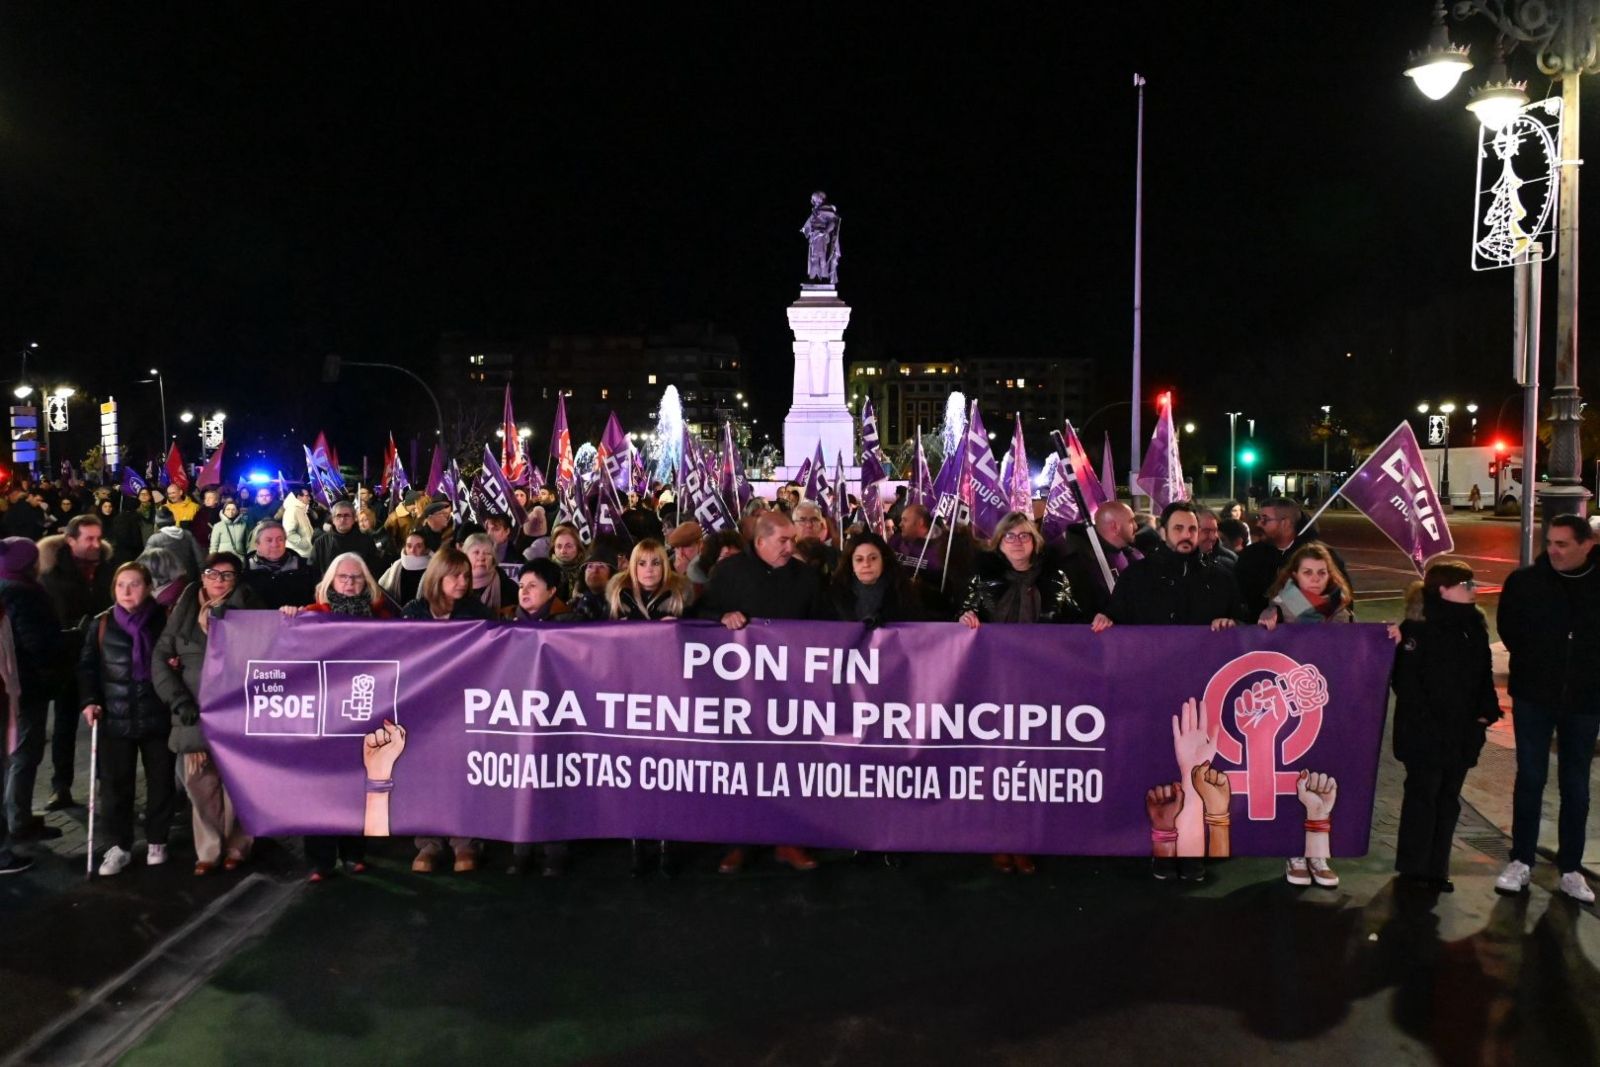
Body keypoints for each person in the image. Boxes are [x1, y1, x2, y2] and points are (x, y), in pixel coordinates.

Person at [697, 510, 835, 874]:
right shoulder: (727, 573)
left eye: (792, 540)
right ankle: (740, 841)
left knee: (790, 765)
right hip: (739, 692)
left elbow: (827, 626)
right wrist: (720, 617)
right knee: (742, 765)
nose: (792, 546)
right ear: (760, 542)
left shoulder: (808, 577)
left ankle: (789, 839)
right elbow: (702, 611)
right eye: (783, 541)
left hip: (793, 691)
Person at [957, 512, 1085, 876]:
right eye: (1009, 536)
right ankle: (998, 839)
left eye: (1024, 535)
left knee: (1031, 768)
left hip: (1040, 687)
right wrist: (965, 618)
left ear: (1036, 542)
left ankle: (1025, 839)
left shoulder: (1056, 579)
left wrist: (1098, 622)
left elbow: (1073, 620)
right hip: (992, 686)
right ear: (997, 543)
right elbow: (963, 613)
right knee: (994, 768)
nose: (1016, 541)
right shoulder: (983, 579)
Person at [1494, 514, 1600, 902]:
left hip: (1586, 700)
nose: (1553, 550)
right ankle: (1521, 860)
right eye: (1550, 542)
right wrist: (1537, 661)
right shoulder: (1525, 582)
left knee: (1576, 785)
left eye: (1562, 544)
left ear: (1587, 545)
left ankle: (1570, 869)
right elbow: (1510, 628)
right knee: (1531, 778)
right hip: (1534, 696)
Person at [152, 552, 264, 875]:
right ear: (202, 576)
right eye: (212, 573)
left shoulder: (249, 606)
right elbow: (162, 656)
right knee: (201, 786)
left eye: (227, 575)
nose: (218, 580)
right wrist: (178, 701)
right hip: (194, 713)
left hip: (237, 714)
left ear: (236, 580)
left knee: (238, 786)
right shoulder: (185, 608)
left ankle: (238, 846)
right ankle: (209, 849)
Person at [1391, 560, 1500, 894]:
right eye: (1465, 584)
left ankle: (1437, 868)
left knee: (1448, 798)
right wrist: (1433, 721)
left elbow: (1484, 674)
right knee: (1423, 795)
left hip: (1462, 732)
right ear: (1443, 590)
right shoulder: (1417, 629)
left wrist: (1485, 713)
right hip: (1426, 732)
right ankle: (1413, 867)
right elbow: (1407, 684)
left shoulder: (1473, 625)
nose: (1473, 590)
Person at [285, 552, 394, 882]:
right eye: (343, 577)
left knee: (357, 783)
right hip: (323, 715)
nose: (350, 583)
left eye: (357, 578)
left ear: (367, 582)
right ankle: (319, 860)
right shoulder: (313, 614)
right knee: (319, 787)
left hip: (365, 712)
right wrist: (288, 617)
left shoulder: (381, 617)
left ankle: (353, 852)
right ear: (330, 581)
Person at [1257, 542, 1354, 889]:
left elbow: (1357, 651)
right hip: (1290, 709)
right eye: (1308, 572)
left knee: (1322, 778)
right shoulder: (1279, 609)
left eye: (1321, 572)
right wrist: (1269, 619)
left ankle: (1317, 852)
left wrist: (1387, 635)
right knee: (1292, 778)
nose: (1315, 580)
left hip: (1329, 703)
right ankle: (1293, 852)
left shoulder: (1340, 607)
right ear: (1294, 576)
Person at [598, 540, 690, 875]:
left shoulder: (682, 597)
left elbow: (705, 632)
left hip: (670, 697)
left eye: (654, 563)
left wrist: (683, 629)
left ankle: (667, 843)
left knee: (668, 771)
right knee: (635, 772)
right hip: (629, 695)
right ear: (632, 568)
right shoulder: (617, 599)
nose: (649, 570)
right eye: (642, 564)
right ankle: (638, 843)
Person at [78, 562, 175, 876]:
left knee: (160, 782)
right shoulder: (102, 624)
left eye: (134, 584)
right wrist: (89, 701)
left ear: (148, 587)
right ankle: (119, 845)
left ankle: (157, 839)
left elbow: (179, 658)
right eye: (121, 585)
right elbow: (88, 667)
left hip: (157, 715)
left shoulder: (164, 619)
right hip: (115, 719)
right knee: (116, 786)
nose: (127, 591)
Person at [401, 548, 490, 874]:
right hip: (423, 709)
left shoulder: (477, 611)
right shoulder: (413, 612)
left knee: (463, 774)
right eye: (455, 575)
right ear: (438, 576)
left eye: (466, 575)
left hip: (464, 707)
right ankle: (429, 843)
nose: (463, 581)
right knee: (424, 774)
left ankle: (465, 841)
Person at [39, 514, 115, 810]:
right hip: (67, 660)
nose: (96, 544)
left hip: (103, 658)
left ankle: (105, 783)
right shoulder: (52, 573)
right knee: (65, 724)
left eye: (99, 538)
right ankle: (61, 786)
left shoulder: (109, 569)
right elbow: (47, 617)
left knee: (106, 724)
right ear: (71, 540)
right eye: (89, 539)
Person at [0, 538, 63, 851]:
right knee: (24, 753)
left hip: (17, 685)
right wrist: (50, 670)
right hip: (27, 687)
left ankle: (16, 814)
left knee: (19, 752)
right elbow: (34, 642)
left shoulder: (9, 586)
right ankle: (18, 820)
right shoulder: (21, 593)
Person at [1097, 502, 1242, 632]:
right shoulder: (1135, 576)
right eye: (1178, 528)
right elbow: (1116, 621)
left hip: (1205, 660)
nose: (1186, 534)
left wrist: (1231, 623)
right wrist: (1106, 620)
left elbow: (1242, 623)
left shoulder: (1221, 577)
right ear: (1163, 533)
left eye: (1192, 529)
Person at [1234, 497, 1352, 619]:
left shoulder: (1323, 555)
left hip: (1316, 633)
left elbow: (1342, 598)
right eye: (1259, 518)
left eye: (1265, 519)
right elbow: (1239, 600)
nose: (1258, 524)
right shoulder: (1250, 555)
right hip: (1259, 633)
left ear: (1285, 523)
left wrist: (1283, 609)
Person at [832, 531, 922, 625]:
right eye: (859, 559)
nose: (866, 564)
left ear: (883, 560)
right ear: (851, 564)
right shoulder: (837, 592)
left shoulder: (902, 590)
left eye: (873, 558)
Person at [242, 520, 317, 610]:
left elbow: (316, 601)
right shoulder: (243, 571)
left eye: (280, 539)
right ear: (257, 544)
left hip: (295, 621)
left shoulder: (306, 568)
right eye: (269, 540)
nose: (275, 544)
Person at [311, 499, 381, 577]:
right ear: (333, 520)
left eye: (347, 515)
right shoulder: (321, 543)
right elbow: (313, 570)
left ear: (354, 519)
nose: (343, 519)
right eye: (338, 515)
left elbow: (374, 568)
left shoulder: (366, 541)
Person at [460, 532, 518, 619]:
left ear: (493, 559)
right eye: (476, 552)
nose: (481, 558)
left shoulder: (508, 587)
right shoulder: (456, 585)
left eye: (487, 553)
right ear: (465, 556)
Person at [145, 506, 206, 580]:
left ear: (157, 522)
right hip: (189, 575)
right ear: (173, 520)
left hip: (167, 579)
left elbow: (147, 562)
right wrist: (202, 573)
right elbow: (199, 556)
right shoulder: (187, 534)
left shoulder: (154, 539)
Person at [378, 531, 431, 607]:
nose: (412, 550)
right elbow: (381, 588)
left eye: (418, 546)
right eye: (409, 546)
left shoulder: (432, 570)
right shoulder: (397, 565)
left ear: (426, 549)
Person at [513, 558, 567, 622]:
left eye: (532, 585)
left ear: (551, 591)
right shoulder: (505, 619)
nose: (524, 592)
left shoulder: (568, 623)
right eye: (521, 586)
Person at [280, 487, 315, 559]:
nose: (309, 498)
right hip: (299, 554)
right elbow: (288, 533)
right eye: (307, 495)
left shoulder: (301, 509)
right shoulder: (292, 510)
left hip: (304, 552)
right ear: (299, 497)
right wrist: (305, 544)